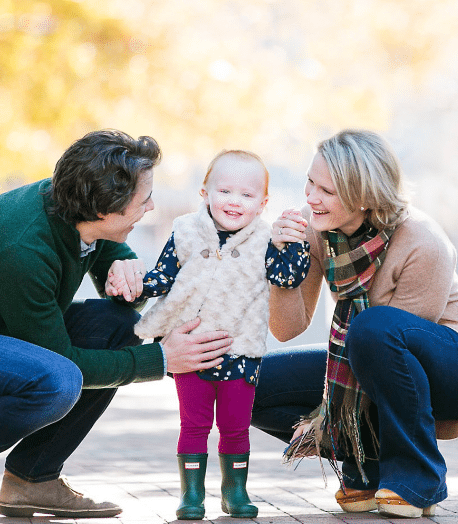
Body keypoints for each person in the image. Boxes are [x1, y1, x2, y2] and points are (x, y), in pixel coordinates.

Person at [0, 129, 234, 524]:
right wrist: (160, 360)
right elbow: (64, 362)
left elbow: (107, 248)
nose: (150, 207)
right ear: (103, 211)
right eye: (143, 199)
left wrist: (125, 269)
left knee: (118, 327)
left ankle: (33, 478)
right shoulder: (22, 250)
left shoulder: (70, 201)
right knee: (57, 380)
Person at [250, 130, 458, 518]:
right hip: (368, 353)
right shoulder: (313, 229)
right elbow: (287, 330)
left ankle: (419, 481)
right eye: (310, 182)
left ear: (365, 197)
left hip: (457, 367)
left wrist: (328, 414)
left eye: (327, 191)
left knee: (373, 328)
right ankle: (365, 469)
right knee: (247, 385)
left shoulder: (422, 240)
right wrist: (282, 264)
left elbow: (392, 361)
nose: (310, 197)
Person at [106, 150, 310, 520]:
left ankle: (235, 492)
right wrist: (132, 286)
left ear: (263, 203)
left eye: (247, 195)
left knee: (235, 427)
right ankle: (192, 495)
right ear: (205, 193)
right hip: (192, 350)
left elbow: (288, 278)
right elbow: (163, 278)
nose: (234, 201)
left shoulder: (267, 240)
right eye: (225, 191)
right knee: (194, 424)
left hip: (240, 351)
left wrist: (294, 244)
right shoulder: (185, 230)